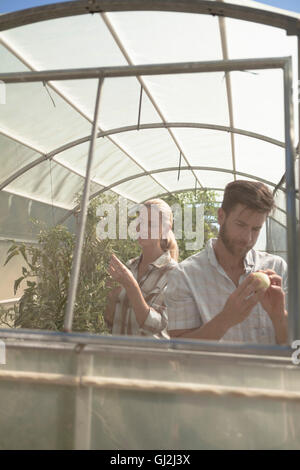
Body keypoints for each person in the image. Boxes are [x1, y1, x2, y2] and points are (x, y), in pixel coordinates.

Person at [166, 180, 288, 345]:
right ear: (221, 216)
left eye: (256, 229)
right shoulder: (185, 276)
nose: (247, 238)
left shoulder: (277, 268)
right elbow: (178, 350)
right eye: (240, 225)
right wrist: (226, 319)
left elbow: (294, 349)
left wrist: (279, 318)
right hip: (212, 372)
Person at [104, 198, 178, 338]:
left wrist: (131, 286)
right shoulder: (129, 266)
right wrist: (111, 298)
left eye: (150, 224)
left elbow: (157, 328)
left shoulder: (174, 274)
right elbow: (110, 322)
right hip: (117, 355)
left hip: (147, 358)